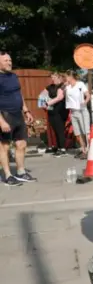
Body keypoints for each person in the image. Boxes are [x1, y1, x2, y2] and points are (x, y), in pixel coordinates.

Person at [0, 51, 36, 186]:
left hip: (17, 114)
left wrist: (26, 111)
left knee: (21, 144)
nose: (9, 63)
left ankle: (21, 172)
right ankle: (8, 175)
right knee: (4, 147)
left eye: (10, 60)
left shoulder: (13, 76)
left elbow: (19, 94)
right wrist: (1, 121)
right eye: (6, 61)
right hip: (4, 115)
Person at [64, 70, 91, 159]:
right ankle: (83, 150)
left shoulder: (80, 84)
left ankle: (89, 150)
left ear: (71, 76)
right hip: (73, 111)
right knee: (77, 133)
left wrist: (85, 102)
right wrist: (65, 87)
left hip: (81, 110)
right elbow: (64, 97)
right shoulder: (67, 87)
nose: (65, 78)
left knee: (85, 131)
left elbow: (88, 95)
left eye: (66, 76)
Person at [44, 72, 68, 157]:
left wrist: (48, 103)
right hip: (51, 111)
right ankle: (58, 147)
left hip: (60, 110)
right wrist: (43, 101)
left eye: (54, 77)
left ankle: (63, 149)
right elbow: (42, 95)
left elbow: (60, 97)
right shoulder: (50, 87)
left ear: (59, 77)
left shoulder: (62, 86)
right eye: (52, 77)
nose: (52, 79)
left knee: (60, 129)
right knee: (55, 130)